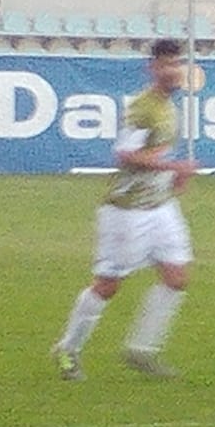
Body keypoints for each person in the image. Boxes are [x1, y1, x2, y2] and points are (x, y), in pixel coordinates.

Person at [50, 39, 198, 380]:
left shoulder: (169, 106)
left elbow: (157, 156)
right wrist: (172, 168)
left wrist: (177, 180)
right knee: (108, 285)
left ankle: (141, 350)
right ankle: (68, 349)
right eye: (166, 65)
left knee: (176, 278)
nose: (173, 71)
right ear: (153, 68)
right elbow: (125, 154)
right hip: (126, 210)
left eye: (177, 64)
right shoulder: (144, 107)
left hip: (160, 207)